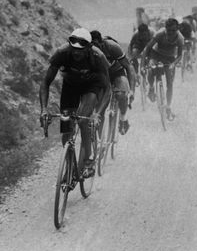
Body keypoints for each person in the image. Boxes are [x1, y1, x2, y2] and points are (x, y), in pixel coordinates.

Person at [40, 28, 111, 175]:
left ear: (89, 47)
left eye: (81, 50)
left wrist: (98, 113)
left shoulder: (98, 56)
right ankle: (69, 161)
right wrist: (44, 109)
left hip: (91, 86)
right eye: (74, 49)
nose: (77, 52)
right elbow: (46, 82)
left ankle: (89, 160)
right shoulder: (62, 53)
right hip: (70, 85)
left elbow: (107, 89)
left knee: (82, 120)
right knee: (66, 125)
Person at [90, 31, 136, 135]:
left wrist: (132, 90)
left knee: (121, 94)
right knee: (99, 108)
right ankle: (99, 139)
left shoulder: (112, 46)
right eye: (92, 46)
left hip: (116, 72)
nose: (95, 49)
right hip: (102, 75)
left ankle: (123, 119)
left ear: (101, 42)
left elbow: (128, 67)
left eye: (96, 45)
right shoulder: (88, 49)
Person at [142, 18, 184, 120]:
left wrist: (173, 64)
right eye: (169, 31)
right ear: (165, 29)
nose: (171, 33)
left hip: (170, 58)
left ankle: (168, 107)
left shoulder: (180, 38)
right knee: (152, 69)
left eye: (173, 31)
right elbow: (147, 48)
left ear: (177, 29)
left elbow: (179, 56)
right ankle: (151, 88)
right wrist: (144, 64)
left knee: (170, 83)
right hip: (156, 54)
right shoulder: (160, 34)